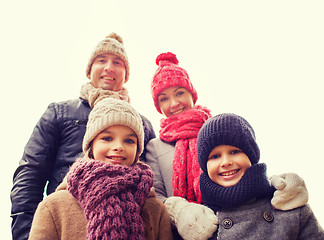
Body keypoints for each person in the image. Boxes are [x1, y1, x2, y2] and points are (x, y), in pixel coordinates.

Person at [145, 52, 310, 240]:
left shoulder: (217, 130)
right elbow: (156, 196)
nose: (174, 103)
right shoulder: (155, 147)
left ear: (192, 94)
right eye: (164, 98)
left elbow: (247, 168)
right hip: (184, 232)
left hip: (230, 220)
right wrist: (180, 211)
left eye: (179, 93)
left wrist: (278, 186)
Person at [10, 32, 156, 240]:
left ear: (126, 74)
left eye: (117, 62)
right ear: (89, 70)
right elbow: (30, 173)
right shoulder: (60, 112)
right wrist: (29, 233)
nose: (109, 67)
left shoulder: (142, 124)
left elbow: (153, 182)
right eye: (101, 60)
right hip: (68, 224)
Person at [28, 98, 172, 240]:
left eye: (129, 141)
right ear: (91, 145)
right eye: (107, 138)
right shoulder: (54, 206)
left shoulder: (155, 208)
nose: (119, 146)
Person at [196, 113, 324, 239]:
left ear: (251, 157)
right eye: (215, 156)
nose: (225, 162)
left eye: (234, 152)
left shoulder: (289, 205)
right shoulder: (199, 222)